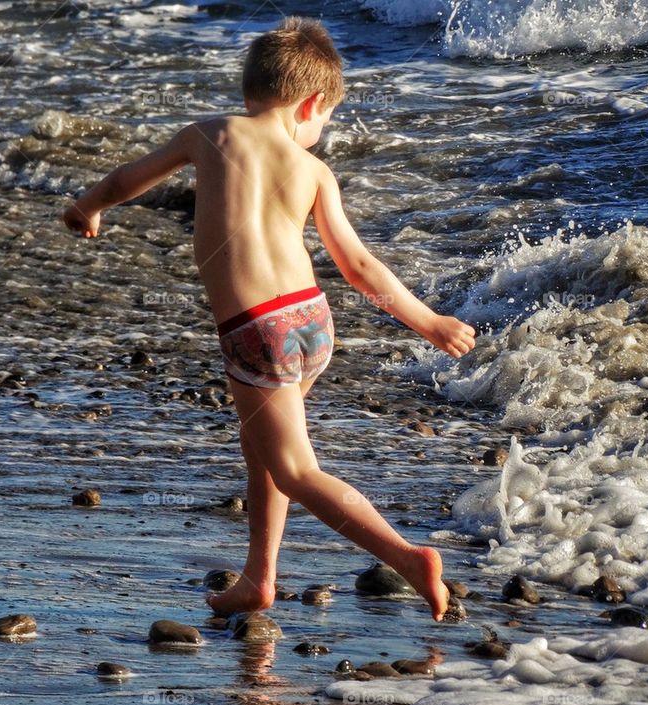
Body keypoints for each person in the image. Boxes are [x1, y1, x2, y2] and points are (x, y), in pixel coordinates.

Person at [63, 16, 476, 621]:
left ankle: (408, 558)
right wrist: (429, 322)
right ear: (310, 103)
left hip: (256, 332)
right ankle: (259, 579)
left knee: (295, 468)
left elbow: (132, 179)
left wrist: (89, 205)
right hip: (311, 322)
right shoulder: (314, 172)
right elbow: (359, 265)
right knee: (261, 446)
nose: (322, 131)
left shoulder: (210, 135)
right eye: (326, 119)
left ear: (249, 92)